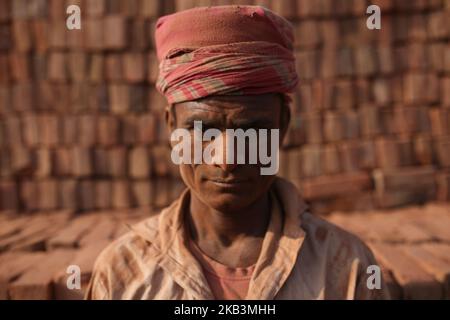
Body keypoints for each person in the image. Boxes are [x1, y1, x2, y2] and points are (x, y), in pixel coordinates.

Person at [85, 5, 390, 300]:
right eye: (203, 130)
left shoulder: (346, 269)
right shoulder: (122, 273)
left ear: (282, 125)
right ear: (172, 127)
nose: (227, 159)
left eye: (253, 130)